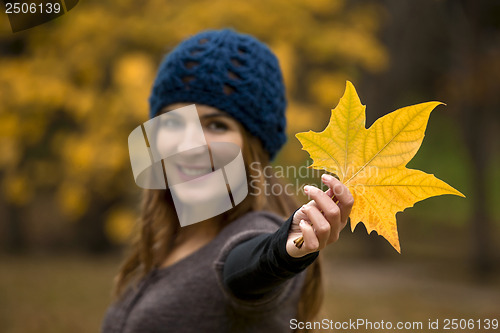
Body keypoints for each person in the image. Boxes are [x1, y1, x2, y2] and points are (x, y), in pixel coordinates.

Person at [101, 29, 353, 333]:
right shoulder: (167, 241)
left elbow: (248, 267)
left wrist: (282, 254)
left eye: (217, 125)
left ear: (252, 147)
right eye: (173, 122)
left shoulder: (257, 230)